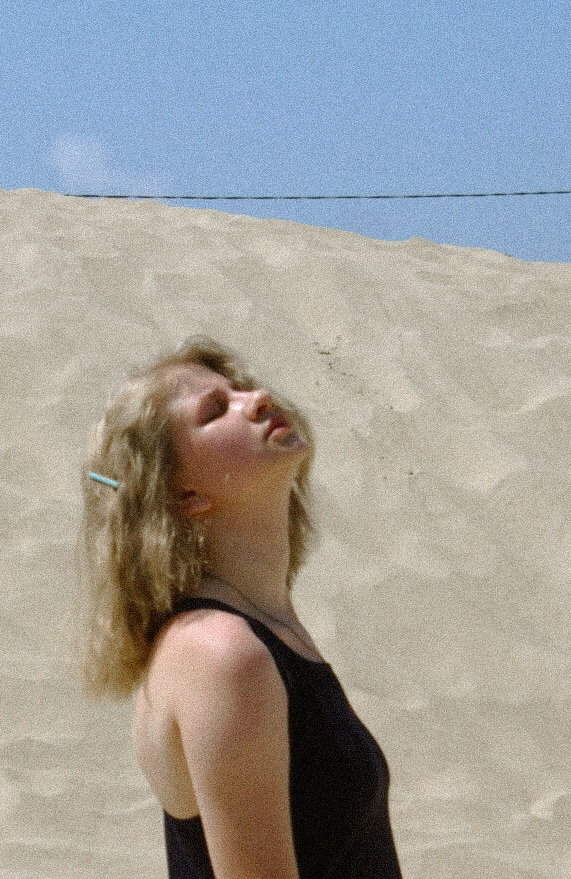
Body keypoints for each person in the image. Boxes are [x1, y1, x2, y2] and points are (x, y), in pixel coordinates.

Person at [77, 337, 403, 879]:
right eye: (215, 411)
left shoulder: (265, 631)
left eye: (240, 389)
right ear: (183, 496)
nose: (256, 399)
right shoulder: (221, 653)